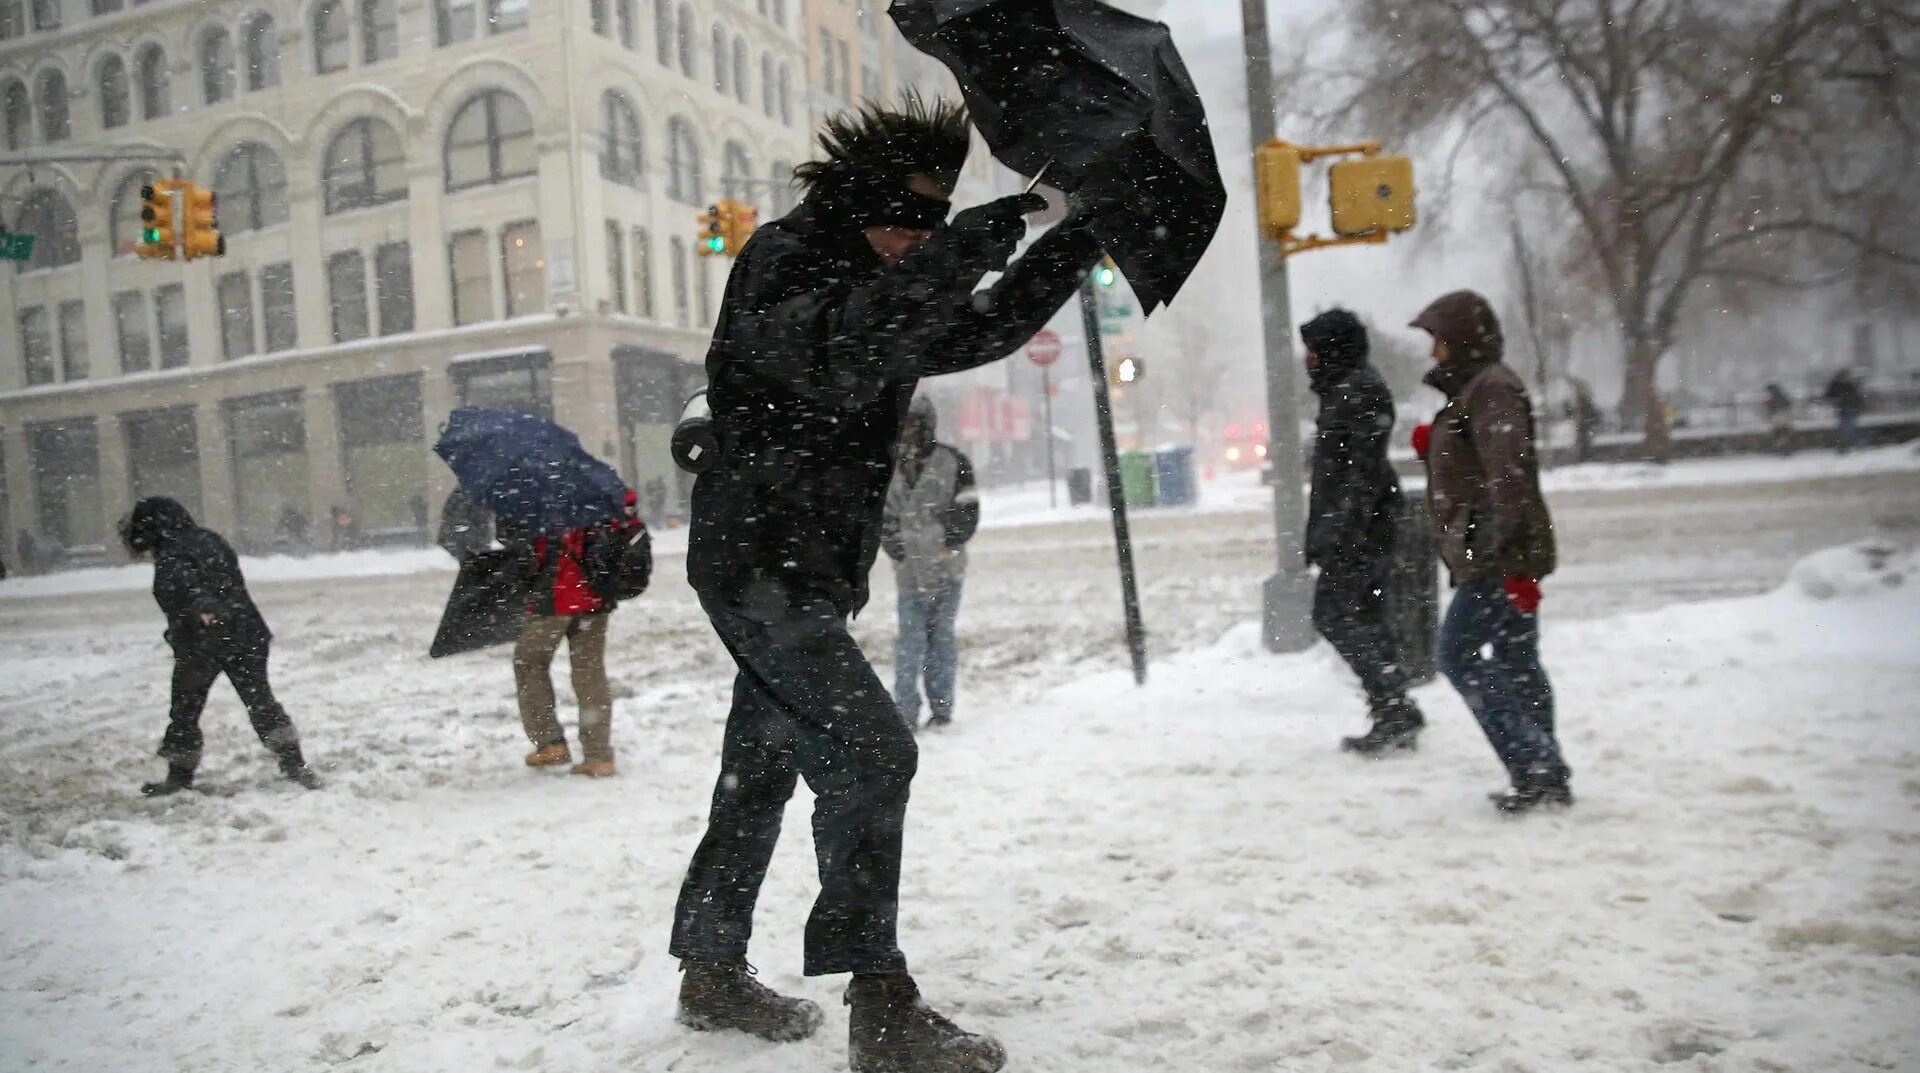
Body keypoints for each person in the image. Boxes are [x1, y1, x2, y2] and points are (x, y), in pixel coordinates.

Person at [670, 94, 1108, 1072]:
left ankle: (710, 967)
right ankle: (883, 1005)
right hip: (758, 566)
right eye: (909, 217)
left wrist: (1079, 240)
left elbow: (981, 329)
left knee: (760, 771)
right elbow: (844, 349)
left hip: (806, 574)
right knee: (876, 755)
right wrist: (976, 236)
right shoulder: (789, 262)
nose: (919, 239)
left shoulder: (881, 274)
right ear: (861, 198)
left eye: (933, 218)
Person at [1409, 291, 1569, 813]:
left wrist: (1511, 557)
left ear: (1460, 339)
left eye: (1438, 340)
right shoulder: (1480, 390)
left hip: (1498, 555)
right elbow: (1482, 460)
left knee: (1455, 655)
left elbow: (1509, 475)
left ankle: (1537, 765)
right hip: (1500, 551)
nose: (1433, 353)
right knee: (1518, 660)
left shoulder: (1492, 389)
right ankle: (1544, 772)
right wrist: (1434, 446)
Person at [119, 497, 320, 795]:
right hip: (246, 632)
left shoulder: (173, 553)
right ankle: (295, 765)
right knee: (259, 699)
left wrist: (205, 610)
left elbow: (191, 587)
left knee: (186, 708)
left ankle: (179, 776)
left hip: (206, 640)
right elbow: (224, 579)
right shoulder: (209, 539)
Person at [1299, 309, 1425, 755]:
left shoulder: (1357, 393)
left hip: (1359, 531)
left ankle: (1393, 704)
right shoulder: (1347, 390)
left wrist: (1338, 532)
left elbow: (1358, 475)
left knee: (1332, 615)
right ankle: (1394, 707)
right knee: (1367, 617)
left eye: (1313, 350)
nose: (1308, 359)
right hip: (1360, 527)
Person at [881, 396, 980, 733]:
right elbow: (883, 520)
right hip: (908, 575)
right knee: (909, 644)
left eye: (914, 424)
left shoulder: (954, 463)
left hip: (946, 572)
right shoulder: (888, 467)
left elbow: (968, 513)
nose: (908, 432)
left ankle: (941, 709)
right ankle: (904, 712)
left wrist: (944, 542)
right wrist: (900, 552)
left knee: (940, 640)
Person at [504, 505, 625, 779]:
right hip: (596, 593)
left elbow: (528, 546)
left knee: (529, 662)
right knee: (590, 670)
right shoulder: (598, 492)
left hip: (559, 591)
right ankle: (599, 755)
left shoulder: (540, 494)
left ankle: (550, 743)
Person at [1822, 368, 1866, 454]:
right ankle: (1849, 445)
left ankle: (1849, 445)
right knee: (1846, 428)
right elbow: (1828, 396)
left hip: (1852, 408)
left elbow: (1856, 397)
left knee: (1849, 428)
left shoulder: (1850, 384)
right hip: (1844, 409)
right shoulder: (1837, 385)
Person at [1569, 378, 1602, 463]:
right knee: (1583, 442)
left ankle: (1583, 458)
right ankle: (1584, 458)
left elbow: (1593, 416)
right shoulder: (1584, 405)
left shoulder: (1585, 405)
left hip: (1584, 427)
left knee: (1583, 442)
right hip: (1584, 427)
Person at [1763, 383, 1795, 456]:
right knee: (1784, 433)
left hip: (1778, 416)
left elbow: (1772, 407)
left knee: (1779, 433)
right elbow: (1788, 404)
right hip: (1784, 416)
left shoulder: (1773, 397)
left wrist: (1769, 405)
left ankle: (1782, 449)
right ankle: (1785, 449)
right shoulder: (1782, 395)